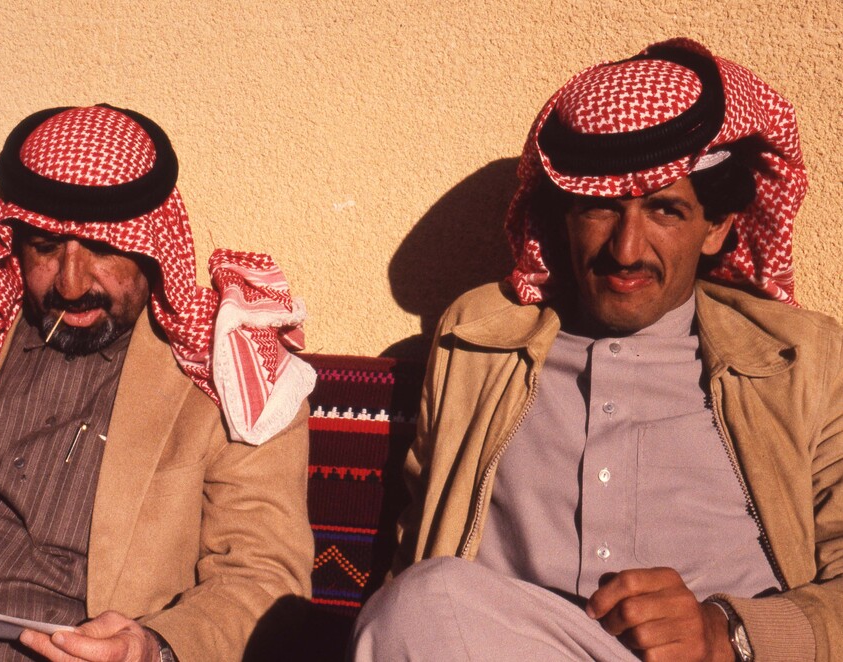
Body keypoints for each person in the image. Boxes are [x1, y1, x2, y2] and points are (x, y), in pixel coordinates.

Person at [351, 38, 842, 662]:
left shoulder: (802, 360)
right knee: (421, 604)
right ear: (563, 216)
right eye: (600, 210)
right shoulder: (478, 344)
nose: (627, 250)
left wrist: (728, 633)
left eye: (664, 210)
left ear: (717, 227)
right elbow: (415, 560)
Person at [0, 104, 317, 661]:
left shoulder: (235, 373)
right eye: (46, 248)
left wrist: (153, 648)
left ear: (152, 246)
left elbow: (264, 577)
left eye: (102, 249)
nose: (71, 284)